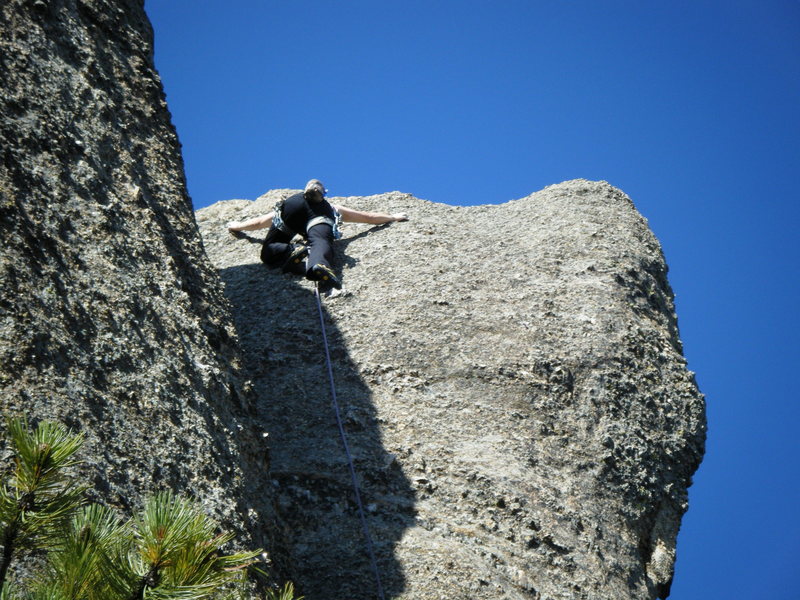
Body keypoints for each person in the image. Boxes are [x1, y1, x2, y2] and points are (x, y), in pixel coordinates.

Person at [226, 179, 408, 291]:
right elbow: (368, 218)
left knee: (268, 252)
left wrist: (237, 226)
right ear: (323, 194)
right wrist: (393, 217)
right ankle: (318, 263)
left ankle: (291, 250)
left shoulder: (293, 200)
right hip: (319, 219)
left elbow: (259, 223)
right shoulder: (331, 208)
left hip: (291, 211)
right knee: (320, 240)